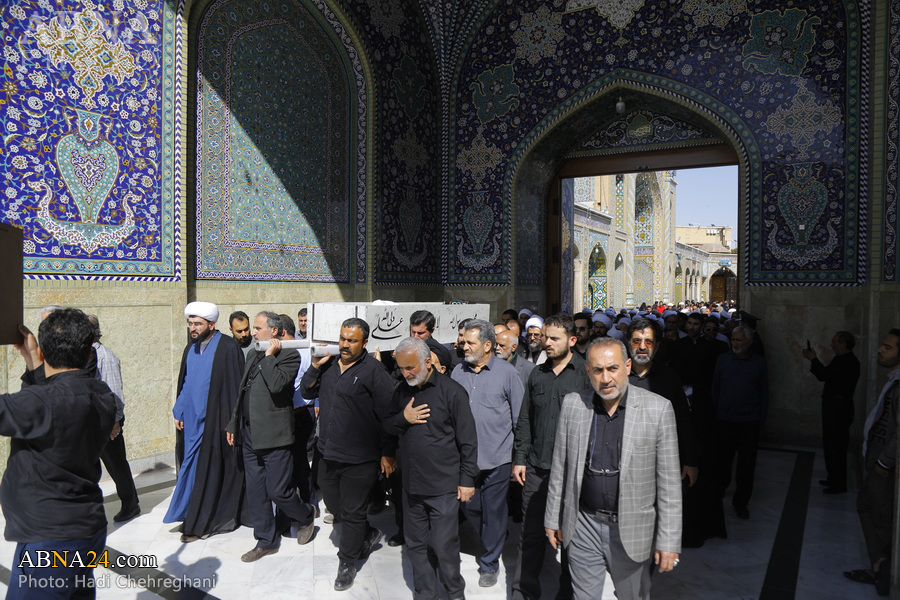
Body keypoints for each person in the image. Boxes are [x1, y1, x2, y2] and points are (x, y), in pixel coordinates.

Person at [544, 338, 682, 600]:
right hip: (583, 524)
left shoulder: (658, 409)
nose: (606, 378)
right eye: (598, 370)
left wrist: (669, 540)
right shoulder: (574, 405)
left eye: (613, 368)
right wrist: (553, 518)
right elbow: (560, 467)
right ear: (588, 371)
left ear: (627, 366)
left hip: (632, 529)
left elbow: (669, 485)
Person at [7, 309, 117, 597]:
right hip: (85, 529)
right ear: (89, 351)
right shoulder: (103, 395)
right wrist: (35, 365)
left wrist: (36, 363)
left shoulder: (39, 402)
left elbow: (47, 402)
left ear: (43, 352)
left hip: (50, 541)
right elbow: (60, 396)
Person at [300, 317, 398, 591]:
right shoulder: (329, 365)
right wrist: (315, 367)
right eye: (342, 339)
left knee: (353, 511)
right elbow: (306, 391)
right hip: (327, 453)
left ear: (364, 343)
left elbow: (388, 414)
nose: (345, 345)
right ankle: (368, 533)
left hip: (360, 457)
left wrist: (388, 452)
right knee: (335, 505)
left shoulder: (375, 372)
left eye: (352, 340)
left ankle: (347, 562)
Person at [385, 337, 478, 600]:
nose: (406, 373)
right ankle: (425, 594)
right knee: (416, 546)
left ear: (428, 362)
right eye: (401, 368)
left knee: (444, 547)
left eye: (410, 367)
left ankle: (454, 594)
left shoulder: (452, 392)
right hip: (411, 486)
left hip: (443, 487)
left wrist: (467, 479)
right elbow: (387, 426)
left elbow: (468, 440)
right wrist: (404, 419)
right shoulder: (401, 391)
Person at [226, 312, 316, 562]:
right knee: (256, 492)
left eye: (258, 328)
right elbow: (242, 392)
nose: (253, 333)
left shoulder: (289, 355)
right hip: (249, 434)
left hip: (275, 436)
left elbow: (277, 385)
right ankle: (266, 541)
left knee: (279, 491)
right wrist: (233, 424)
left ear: (274, 331)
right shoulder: (253, 353)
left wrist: (268, 357)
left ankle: (306, 514)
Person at [512, 314, 589, 600]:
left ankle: (567, 593)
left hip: (573, 472)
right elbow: (525, 419)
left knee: (571, 538)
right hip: (538, 468)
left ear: (572, 340)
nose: (547, 343)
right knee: (530, 535)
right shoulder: (537, 374)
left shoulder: (585, 374)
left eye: (555, 338)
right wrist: (520, 458)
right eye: (546, 337)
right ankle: (523, 592)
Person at [451, 318, 524, 587]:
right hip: (465, 460)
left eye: (471, 343)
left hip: (497, 458)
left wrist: (519, 458)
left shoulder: (508, 374)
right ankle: (492, 535)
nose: (465, 346)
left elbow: (519, 419)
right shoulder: (458, 371)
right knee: (471, 507)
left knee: (494, 511)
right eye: (464, 342)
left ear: (488, 346)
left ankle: (490, 563)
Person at [165, 302, 246, 542]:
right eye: (190, 323)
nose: (193, 328)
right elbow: (187, 382)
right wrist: (179, 410)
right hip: (192, 422)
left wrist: (232, 423)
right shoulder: (191, 348)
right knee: (189, 469)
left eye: (198, 324)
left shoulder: (228, 347)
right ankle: (188, 511)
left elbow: (237, 390)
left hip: (215, 424)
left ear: (212, 324)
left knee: (208, 472)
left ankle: (202, 520)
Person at [626, 318, 701, 545]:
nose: (642, 347)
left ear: (657, 346)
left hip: (658, 464)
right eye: (637, 341)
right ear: (628, 343)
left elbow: (683, 421)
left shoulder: (669, 378)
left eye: (648, 342)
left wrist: (690, 461)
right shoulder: (617, 376)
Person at [844, 329, 900, 596]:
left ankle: (884, 569)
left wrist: (884, 464)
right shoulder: (893, 380)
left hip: (883, 467)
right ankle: (880, 565)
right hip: (876, 461)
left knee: (879, 516)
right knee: (867, 507)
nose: (880, 350)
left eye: (888, 347)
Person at [87, 314, 140, 523]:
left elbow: (115, 392)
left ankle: (130, 504)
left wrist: (115, 422)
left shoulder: (105, 357)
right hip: (93, 421)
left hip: (108, 422)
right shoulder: (86, 355)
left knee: (116, 465)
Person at [712, 325, 768, 520]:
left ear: (749, 342)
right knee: (723, 460)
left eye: (739, 340)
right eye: (733, 340)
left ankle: (741, 502)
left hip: (749, 422)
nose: (735, 344)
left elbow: (764, 392)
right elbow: (716, 389)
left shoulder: (758, 363)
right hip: (725, 420)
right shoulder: (723, 360)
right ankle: (720, 488)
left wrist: (761, 418)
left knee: (746, 465)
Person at [801, 331, 861, 494]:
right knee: (830, 444)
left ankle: (839, 483)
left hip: (839, 409)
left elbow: (824, 375)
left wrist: (813, 359)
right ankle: (833, 478)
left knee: (837, 446)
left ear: (843, 345)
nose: (831, 345)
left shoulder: (849, 362)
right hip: (833, 406)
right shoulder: (841, 359)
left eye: (834, 342)